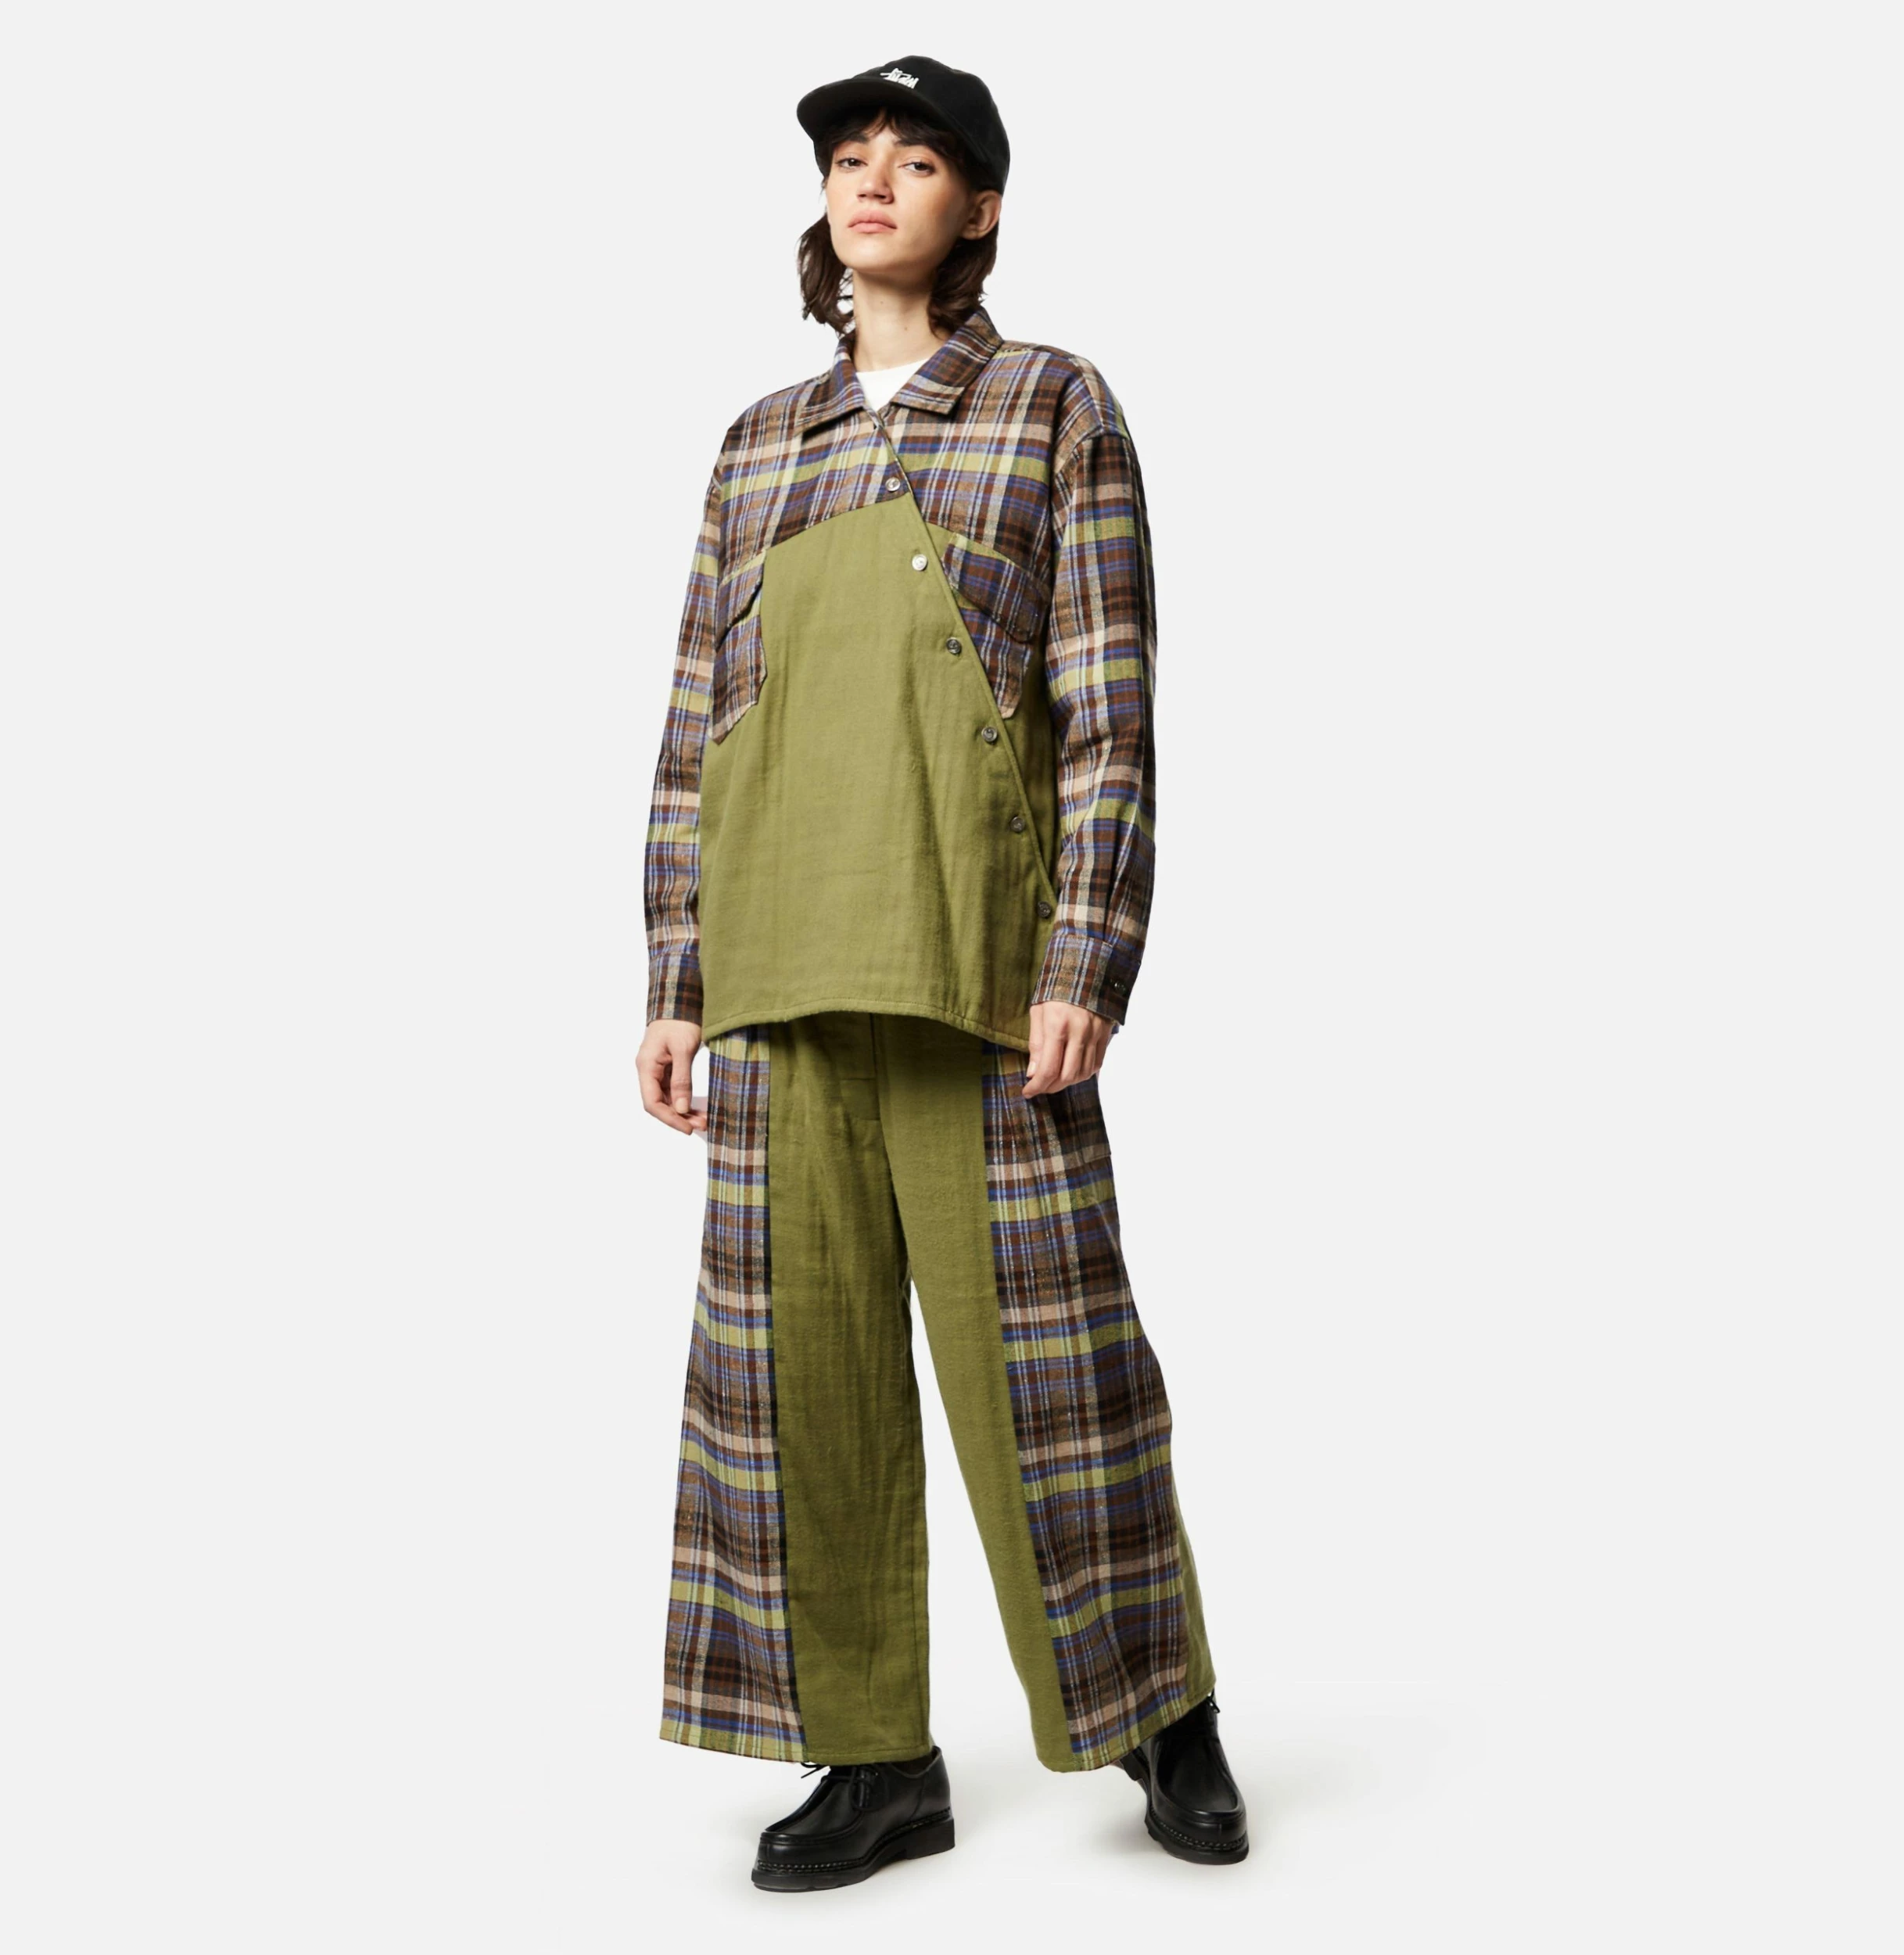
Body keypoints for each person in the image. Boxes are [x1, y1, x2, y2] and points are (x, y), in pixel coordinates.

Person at [636, 55, 1249, 1891]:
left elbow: (1107, 708)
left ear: (974, 208)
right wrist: (674, 972)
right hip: (779, 966)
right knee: (797, 1383)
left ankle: (1159, 1708)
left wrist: (1088, 952)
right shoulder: (758, 443)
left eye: (913, 160)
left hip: (976, 967)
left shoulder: (1049, 403)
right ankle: (870, 1755)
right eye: (849, 155)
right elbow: (698, 729)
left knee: (1054, 1370)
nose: (872, 179)